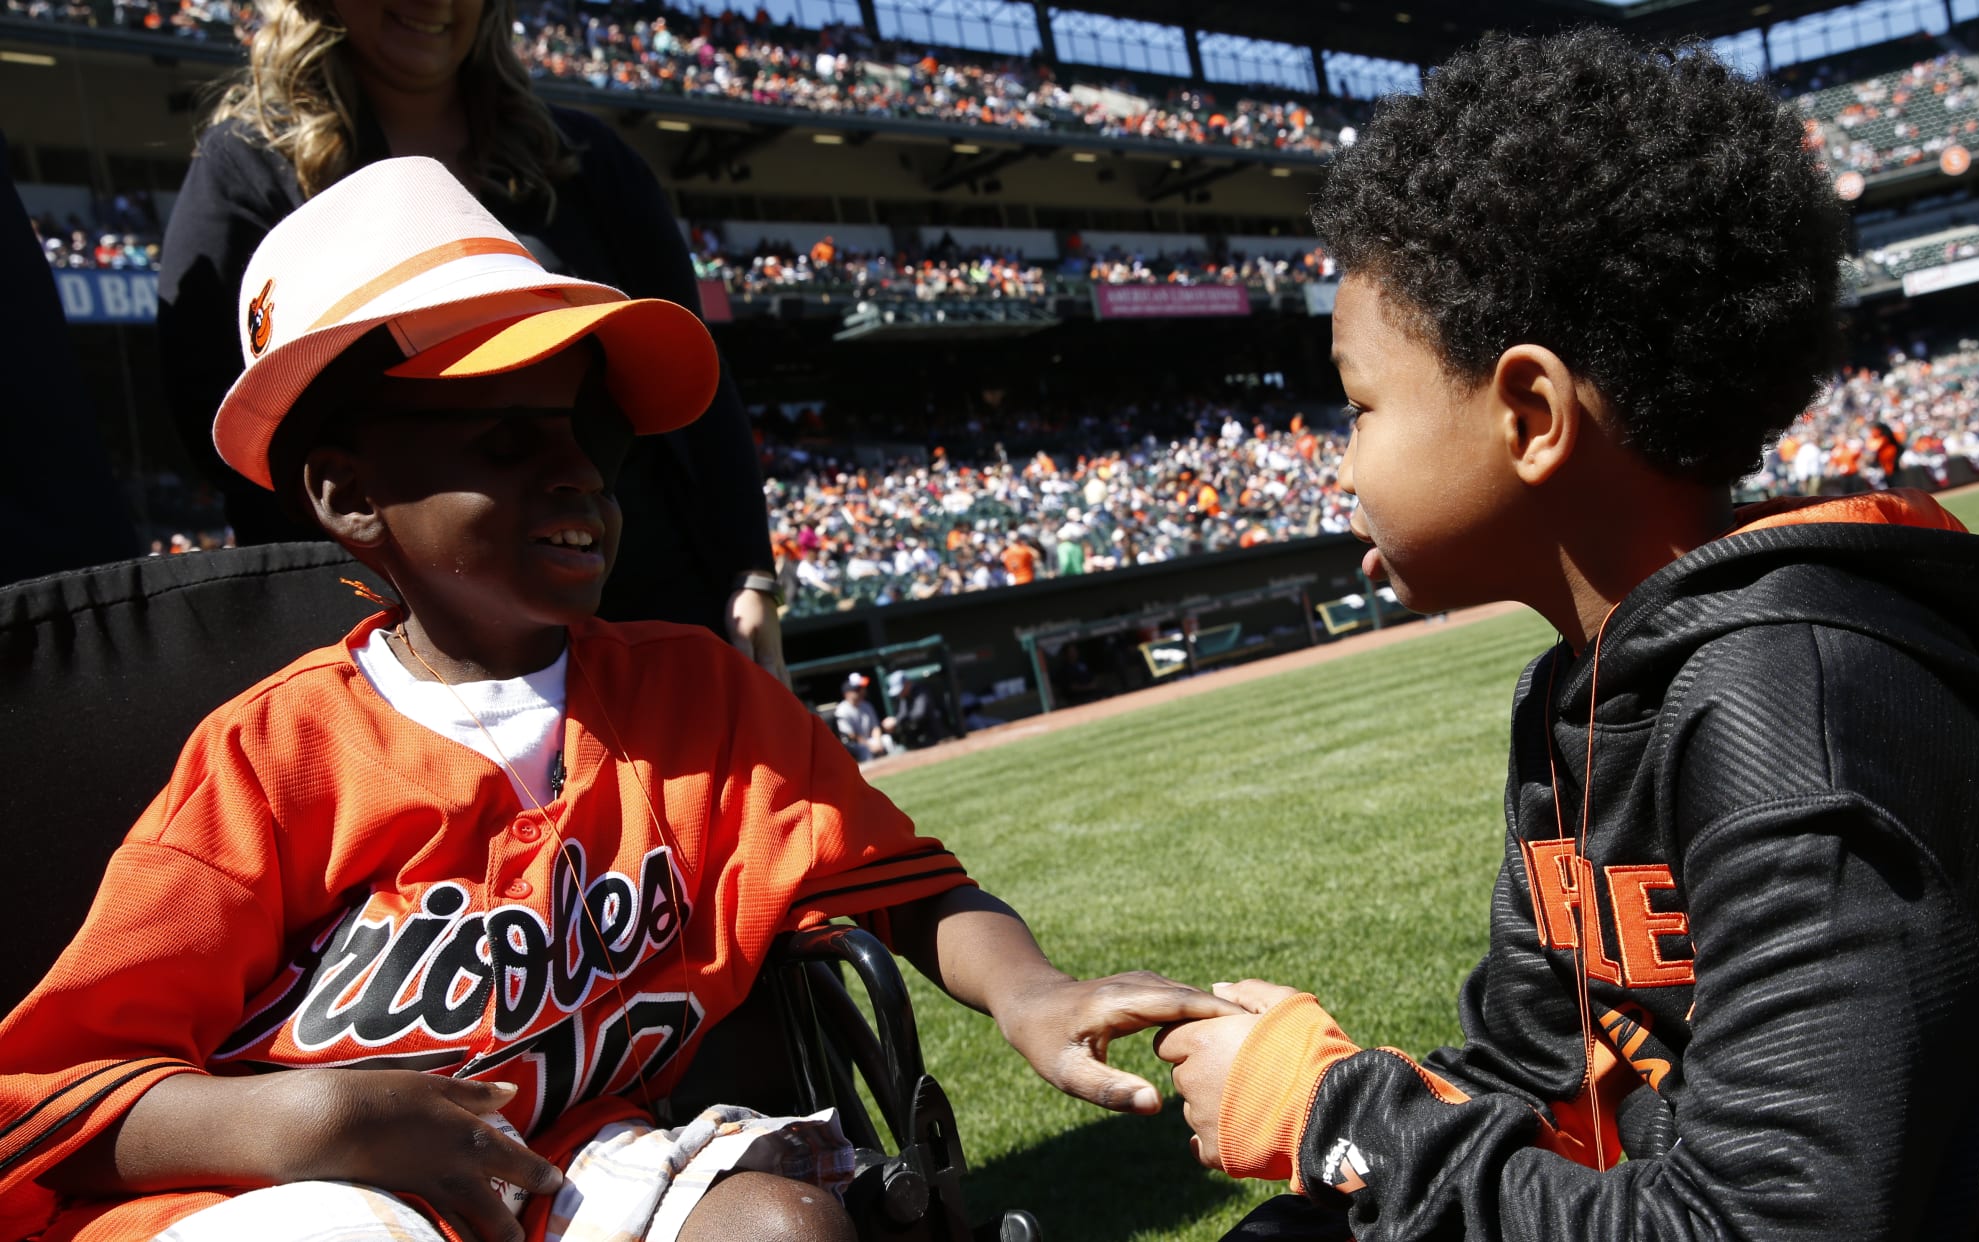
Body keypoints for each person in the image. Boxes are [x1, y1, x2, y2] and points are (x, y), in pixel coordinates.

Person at [0, 159, 1237, 1242]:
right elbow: (54, 1092)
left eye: (588, 435)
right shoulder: (273, 755)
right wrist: (306, 1112)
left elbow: (906, 890)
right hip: (294, 1189)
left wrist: (1031, 991)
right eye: (505, 441)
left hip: (570, 1163)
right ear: (346, 492)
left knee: (781, 1222)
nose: (575, 473)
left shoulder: (693, 692)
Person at [1154, 30, 1979, 1241]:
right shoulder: (1582, 697)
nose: (1336, 464)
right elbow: (1549, 1094)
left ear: (1532, 415)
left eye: (1359, 407)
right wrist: (1333, 1114)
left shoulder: (1782, 710)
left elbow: (1770, 1228)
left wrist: (1333, 1111)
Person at [156, 0, 790, 679]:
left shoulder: (586, 157)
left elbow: (699, 378)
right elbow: (224, 426)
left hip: (641, 596)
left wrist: (749, 570)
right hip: (411, 639)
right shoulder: (248, 166)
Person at [834, 671, 892, 762]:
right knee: (864, 750)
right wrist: (870, 745)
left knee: (887, 740)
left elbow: (875, 727)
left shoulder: (866, 705)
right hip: (855, 744)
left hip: (870, 739)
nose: (862, 691)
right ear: (848, 693)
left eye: (861, 688)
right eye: (857, 689)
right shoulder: (841, 710)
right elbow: (852, 736)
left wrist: (878, 742)